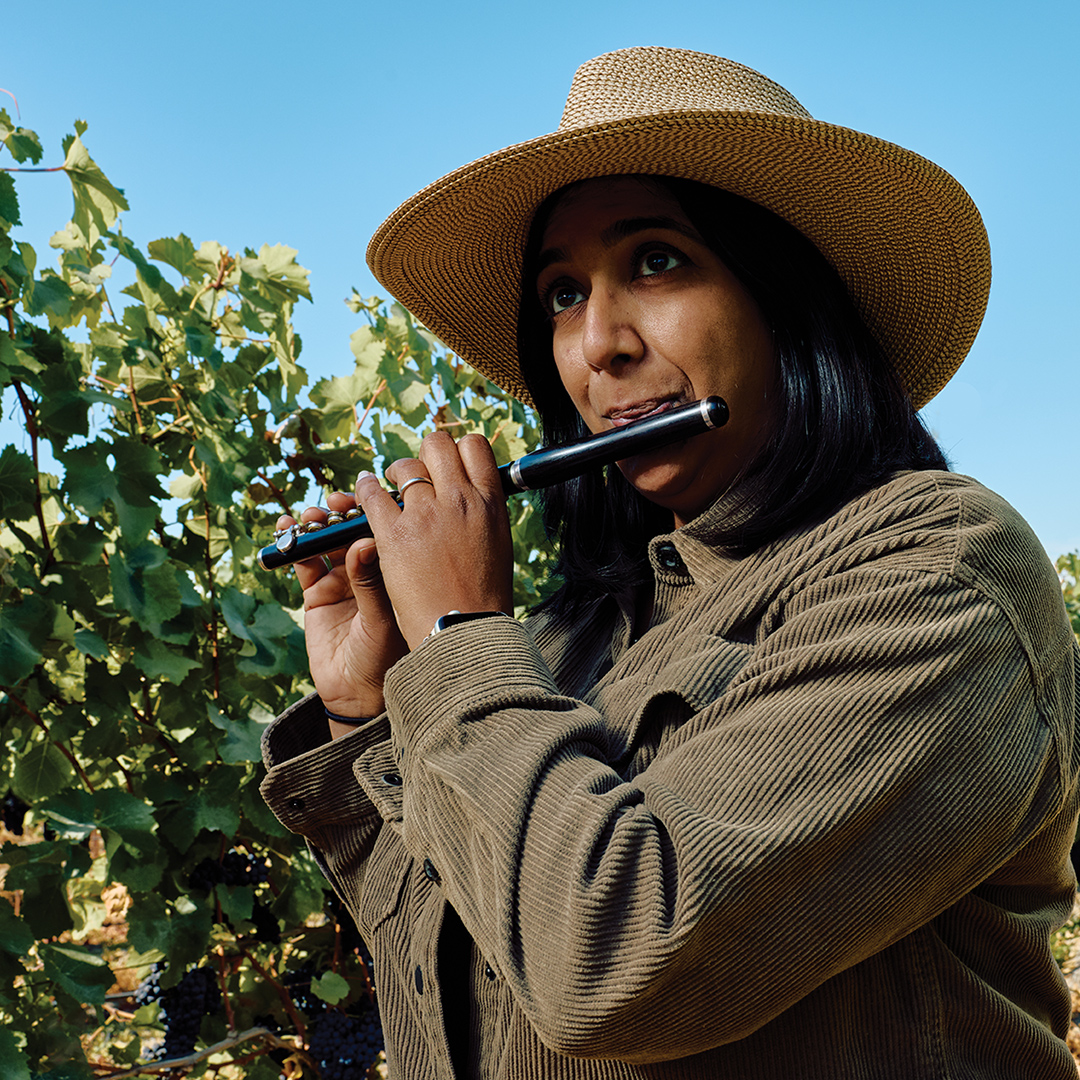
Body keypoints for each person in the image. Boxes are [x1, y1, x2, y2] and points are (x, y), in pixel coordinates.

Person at [260, 47, 1080, 1078]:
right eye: (562, 293)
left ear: (788, 300)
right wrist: (365, 705)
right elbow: (456, 983)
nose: (597, 344)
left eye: (655, 261)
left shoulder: (940, 573)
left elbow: (613, 961)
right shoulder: (569, 637)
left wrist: (458, 640)